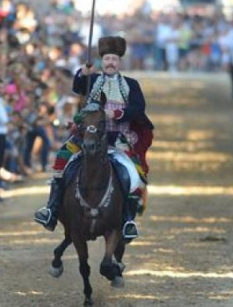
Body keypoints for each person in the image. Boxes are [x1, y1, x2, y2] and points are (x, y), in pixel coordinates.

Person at [34, 36, 154, 240]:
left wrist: (116, 114)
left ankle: (127, 221)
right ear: (102, 60)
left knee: (134, 173)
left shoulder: (131, 85)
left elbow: (138, 108)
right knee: (62, 160)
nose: (110, 63)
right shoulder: (93, 79)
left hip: (119, 137)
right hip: (87, 135)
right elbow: (77, 87)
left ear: (119, 62)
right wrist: (82, 73)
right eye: (107, 58)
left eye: (114, 59)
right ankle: (51, 210)